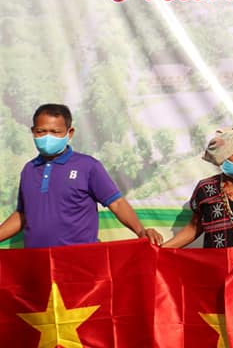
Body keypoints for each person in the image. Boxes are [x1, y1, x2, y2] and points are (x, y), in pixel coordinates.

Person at [0, 104, 162, 248]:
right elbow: (22, 214)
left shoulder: (88, 166)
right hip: (36, 262)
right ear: (33, 131)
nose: (47, 137)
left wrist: (141, 231)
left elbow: (117, 203)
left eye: (55, 132)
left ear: (69, 133)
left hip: (79, 261)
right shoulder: (29, 169)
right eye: (41, 131)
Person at [163, 128, 233, 249]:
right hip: (216, 259)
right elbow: (195, 226)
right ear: (222, 158)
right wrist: (159, 250)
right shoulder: (205, 188)